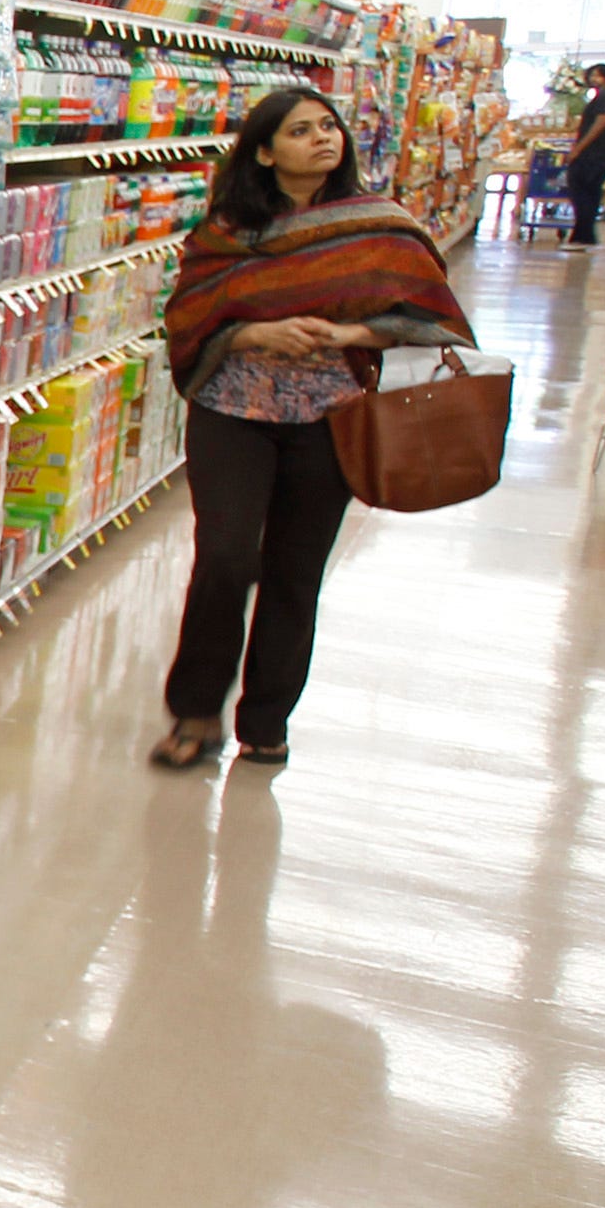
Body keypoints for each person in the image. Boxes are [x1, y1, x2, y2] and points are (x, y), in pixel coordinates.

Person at [153, 85, 474, 769]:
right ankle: (195, 710)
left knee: (296, 572)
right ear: (264, 152)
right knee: (226, 558)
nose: (323, 139)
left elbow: (433, 317)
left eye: (329, 127)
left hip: (331, 419)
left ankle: (266, 718)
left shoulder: (378, 226)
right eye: (301, 131)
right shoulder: (226, 231)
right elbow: (186, 315)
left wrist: (354, 329)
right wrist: (251, 333)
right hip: (232, 414)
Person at [566, 61, 605, 251]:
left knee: (581, 188)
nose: (592, 79)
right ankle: (585, 234)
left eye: (597, 75)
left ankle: (582, 235)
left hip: (594, 153)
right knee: (590, 191)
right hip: (601, 152)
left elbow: (600, 123)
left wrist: (579, 148)